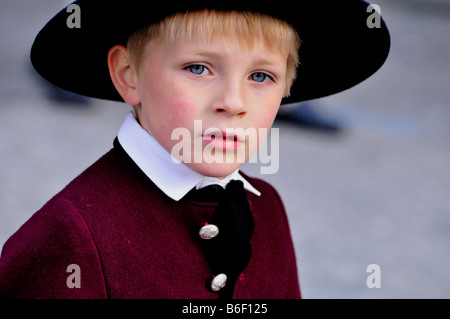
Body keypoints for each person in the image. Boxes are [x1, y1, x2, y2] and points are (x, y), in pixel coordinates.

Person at [0, 0, 390, 298]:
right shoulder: (70, 238)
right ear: (128, 74)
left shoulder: (267, 209)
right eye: (199, 68)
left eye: (260, 76)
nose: (233, 101)